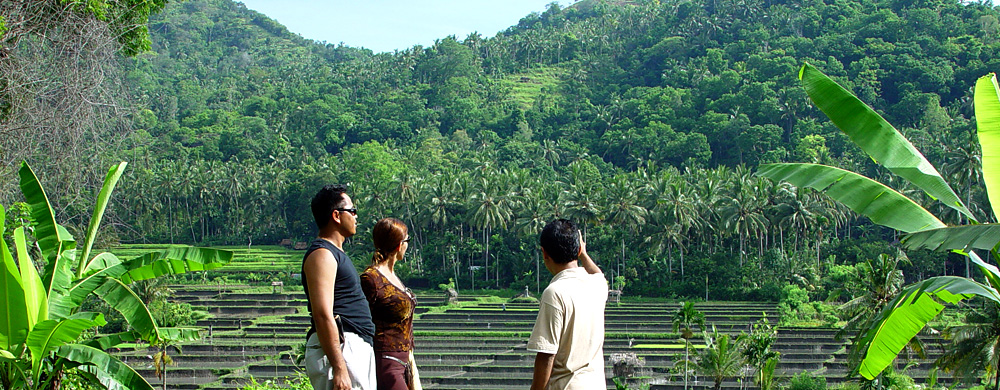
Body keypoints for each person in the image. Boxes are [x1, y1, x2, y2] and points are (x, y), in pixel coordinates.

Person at [302, 184, 377, 390]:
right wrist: (339, 367)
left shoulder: (334, 253)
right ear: (336, 215)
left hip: (353, 347)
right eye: (352, 211)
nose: (355, 216)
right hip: (343, 348)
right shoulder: (322, 255)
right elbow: (322, 313)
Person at [528, 219, 608, 390]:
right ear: (578, 249)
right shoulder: (597, 285)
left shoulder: (555, 293)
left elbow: (546, 355)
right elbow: (597, 273)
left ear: (544, 253)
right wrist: (583, 253)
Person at [360, 218, 421, 390]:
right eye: (407, 241)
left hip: (404, 361)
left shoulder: (392, 276)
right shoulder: (371, 279)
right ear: (399, 245)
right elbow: (361, 320)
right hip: (387, 361)